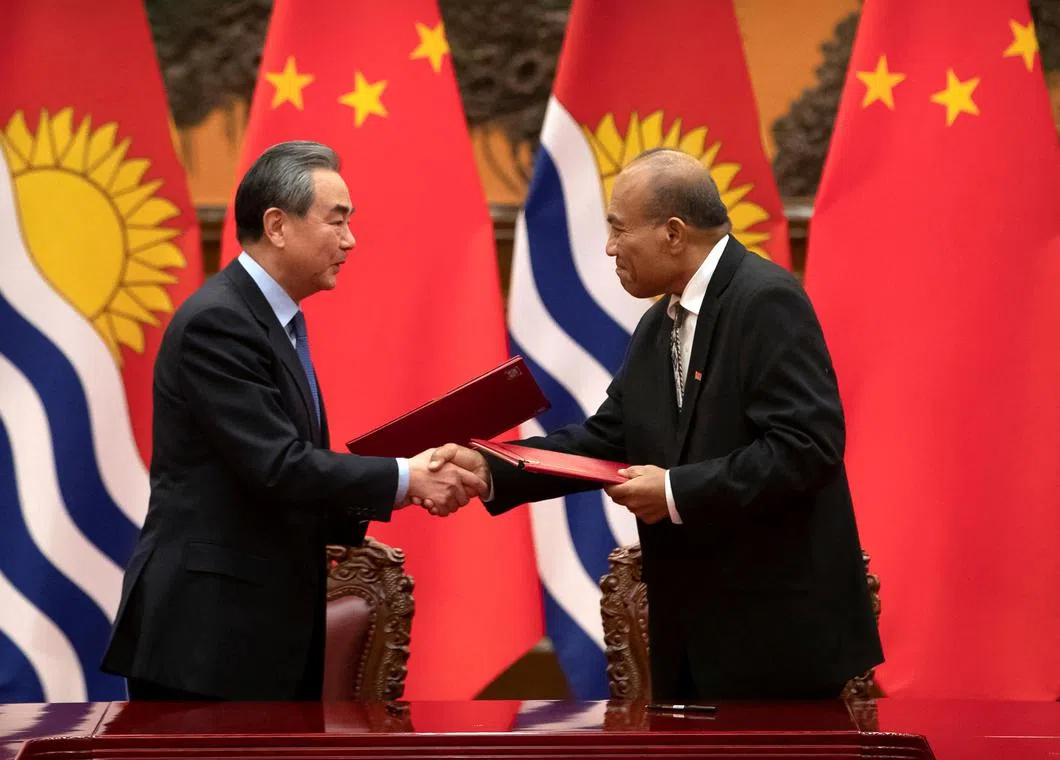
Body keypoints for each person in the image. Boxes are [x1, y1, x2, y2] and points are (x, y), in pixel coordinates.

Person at [433, 148, 883, 701]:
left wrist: (673, 491)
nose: (609, 247)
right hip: (691, 636)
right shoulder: (658, 324)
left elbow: (805, 449)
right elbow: (604, 439)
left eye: (619, 230)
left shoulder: (766, 300)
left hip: (777, 643)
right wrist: (491, 465)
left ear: (673, 233)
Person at [102, 141, 484, 701]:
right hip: (207, 642)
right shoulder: (219, 323)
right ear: (277, 225)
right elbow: (277, 465)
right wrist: (407, 477)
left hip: (259, 631)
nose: (350, 240)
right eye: (337, 221)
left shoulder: (269, 321)